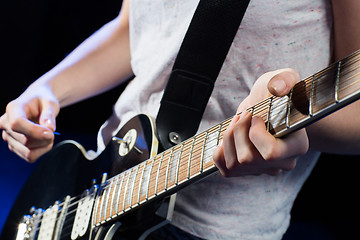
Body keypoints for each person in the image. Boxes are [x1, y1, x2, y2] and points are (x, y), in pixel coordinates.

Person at [1, 0, 360, 239]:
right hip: (99, 183)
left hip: (213, 228)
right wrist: (46, 89)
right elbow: (136, 27)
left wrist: (279, 113)